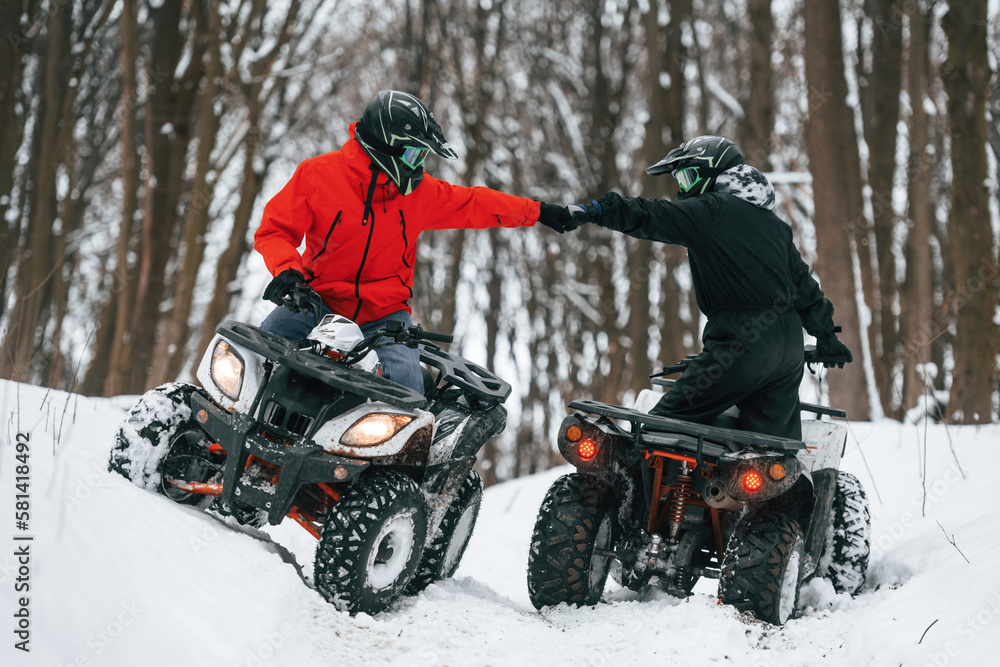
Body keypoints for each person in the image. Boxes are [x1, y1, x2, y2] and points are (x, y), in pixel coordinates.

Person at [254, 90, 575, 393]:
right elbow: (276, 230)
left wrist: (539, 211)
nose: (418, 164)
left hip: (385, 318)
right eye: (413, 153)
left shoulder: (421, 195)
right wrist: (287, 270)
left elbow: (476, 203)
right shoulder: (318, 175)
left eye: (422, 155)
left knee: (407, 393)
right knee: (255, 355)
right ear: (385, 146)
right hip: (315, 302)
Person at [565, 135, 852, 440]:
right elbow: (804, 286)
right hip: (789, 351)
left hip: (742, 342)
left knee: (659, 431)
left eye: (687, 177)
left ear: (711, 173)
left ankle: (637, 473)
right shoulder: (774, 225)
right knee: (771, 450)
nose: (682, 189)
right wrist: (826, 334)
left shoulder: (712, 209)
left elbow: (653, 214)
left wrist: (597, 210)